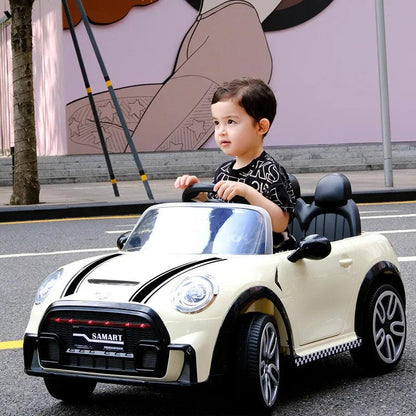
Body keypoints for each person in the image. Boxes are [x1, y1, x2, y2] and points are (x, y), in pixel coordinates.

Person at [175, 78, 297, 252]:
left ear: (261, 127)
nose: (221, 131)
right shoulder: (223, 171)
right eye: (217, 123)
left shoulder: (269, 170)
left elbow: (280, 223)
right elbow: (219, 214)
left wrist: (247, 192)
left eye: (230, 122)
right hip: (231, 250)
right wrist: (201, 196)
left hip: (269, 255)